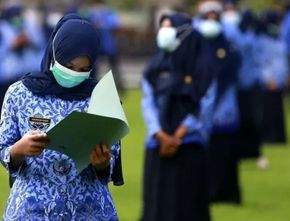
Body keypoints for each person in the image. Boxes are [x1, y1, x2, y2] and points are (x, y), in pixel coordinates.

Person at [0, 13, 123, 221]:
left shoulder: (102, 96)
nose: (75, 74)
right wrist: (19, 149)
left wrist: (102, 162)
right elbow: (3, 148)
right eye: (69, 66)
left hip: (90, 211)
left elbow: (111, 158)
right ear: (55, 54)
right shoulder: (19, 93)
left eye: (83, 69)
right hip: (32, 211)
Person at [140, 12, 214, 221]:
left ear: (184, 34)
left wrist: (179, 134)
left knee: (188, 206)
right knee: (157, 205)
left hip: (190, 145)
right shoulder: (154, 67)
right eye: (161, 27)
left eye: (169, 27)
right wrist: (160, 134)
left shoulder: (203, 67)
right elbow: (148, 103)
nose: (164, 33)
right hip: (158, 145)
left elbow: (205, 104)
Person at [195, 0, 242, 204]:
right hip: (201, 109)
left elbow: (232, 72)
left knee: (226, 153)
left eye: (216, 17)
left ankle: (227, 193)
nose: (212, 21)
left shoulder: (229, 45)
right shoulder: (195, 45)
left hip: (225, 111)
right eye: (208, 17)